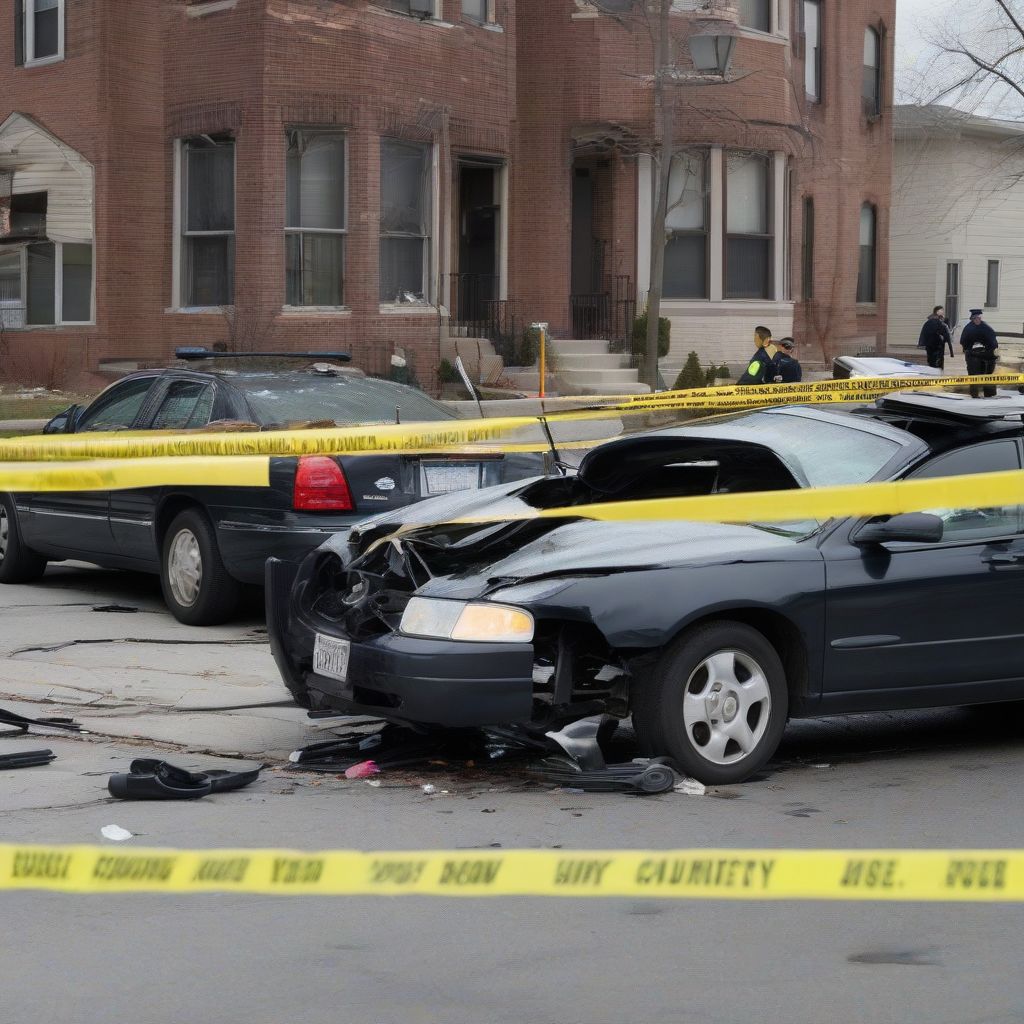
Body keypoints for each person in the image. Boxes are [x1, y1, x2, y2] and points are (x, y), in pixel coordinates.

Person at [960, 308, 999, 398]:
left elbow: (993, 342)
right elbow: (963, 342)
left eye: (979, 318)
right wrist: (969, 350)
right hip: (973, 356)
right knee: (974, 376)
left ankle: (990, 396)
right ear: (972, 319)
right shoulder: (968, 329)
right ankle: (974, 395)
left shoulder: (986, 328)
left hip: (986, 355)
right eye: (975, 318)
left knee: (988, 376)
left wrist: (989, 351)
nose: (978, 319)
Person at [917, 306, 954, 370]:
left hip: (932, 348)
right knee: (936, 366)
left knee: (932, 364)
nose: (943, 313)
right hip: (936, 348)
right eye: (942, 311)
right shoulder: (936, 323)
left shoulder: (932, 322)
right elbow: (945, 335)